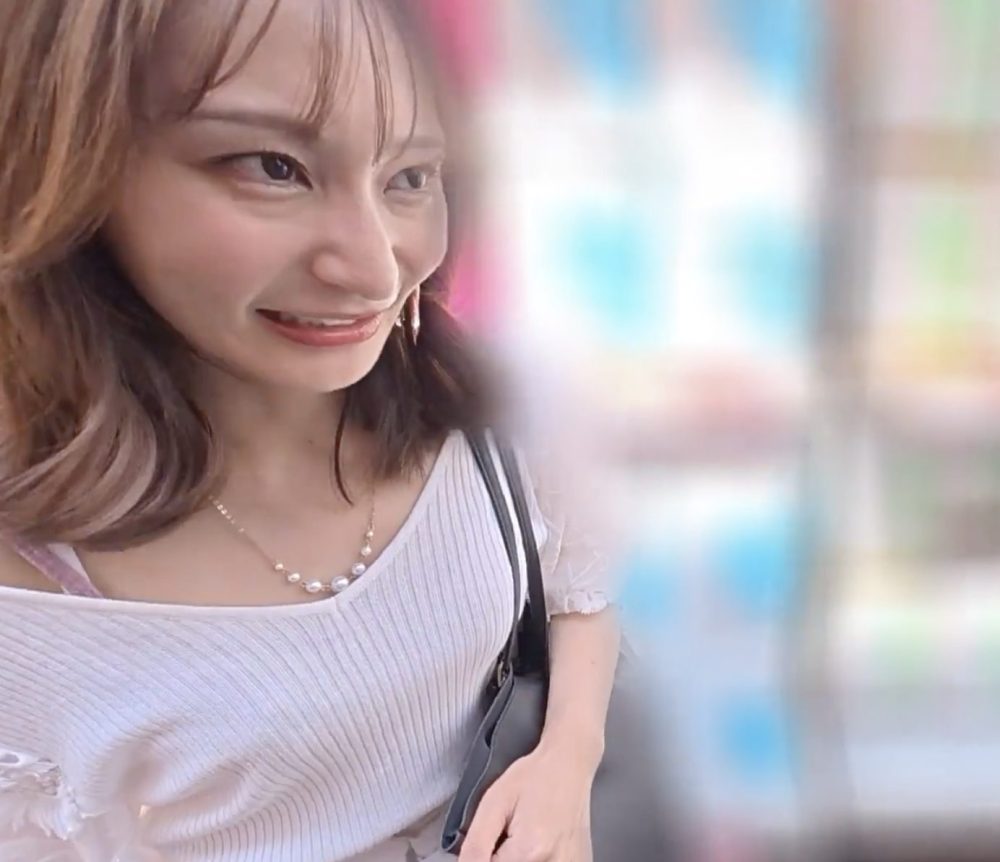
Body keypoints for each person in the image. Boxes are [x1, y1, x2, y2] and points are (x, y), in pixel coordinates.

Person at [0, 1, 621, 860]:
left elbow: (578, 588)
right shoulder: (34, 592)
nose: (374, 271)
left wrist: (566, 762)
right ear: (68, 163)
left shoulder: (487, 405)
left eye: (410, 176)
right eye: (273, 167)